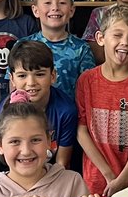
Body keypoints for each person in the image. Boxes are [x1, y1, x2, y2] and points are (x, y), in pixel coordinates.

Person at [75, 4, 128, 197]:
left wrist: (122, 178)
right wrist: (108, 174)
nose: (125, 42)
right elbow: (81, 130)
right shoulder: (87, 80)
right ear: (101, 38)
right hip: (96, 181)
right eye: (117, 35)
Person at [6, 41, 77, 170]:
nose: (31, 83)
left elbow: (62, 163)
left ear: (53, 76)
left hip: (53, 177)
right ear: (12, 79)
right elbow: (9, 161)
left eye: (39, 74)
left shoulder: (66, 111)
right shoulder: (6, 110)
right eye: (22, 75)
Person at [23, 0, 95, 99]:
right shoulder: (23, 46)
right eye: (47, 3)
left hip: (70, 116)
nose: (55, 7)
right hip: (31, 115)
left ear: (71, 11)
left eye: (62, 3)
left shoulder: (81, 49)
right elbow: (15, 90)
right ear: (35, 10)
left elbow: (89, 91)